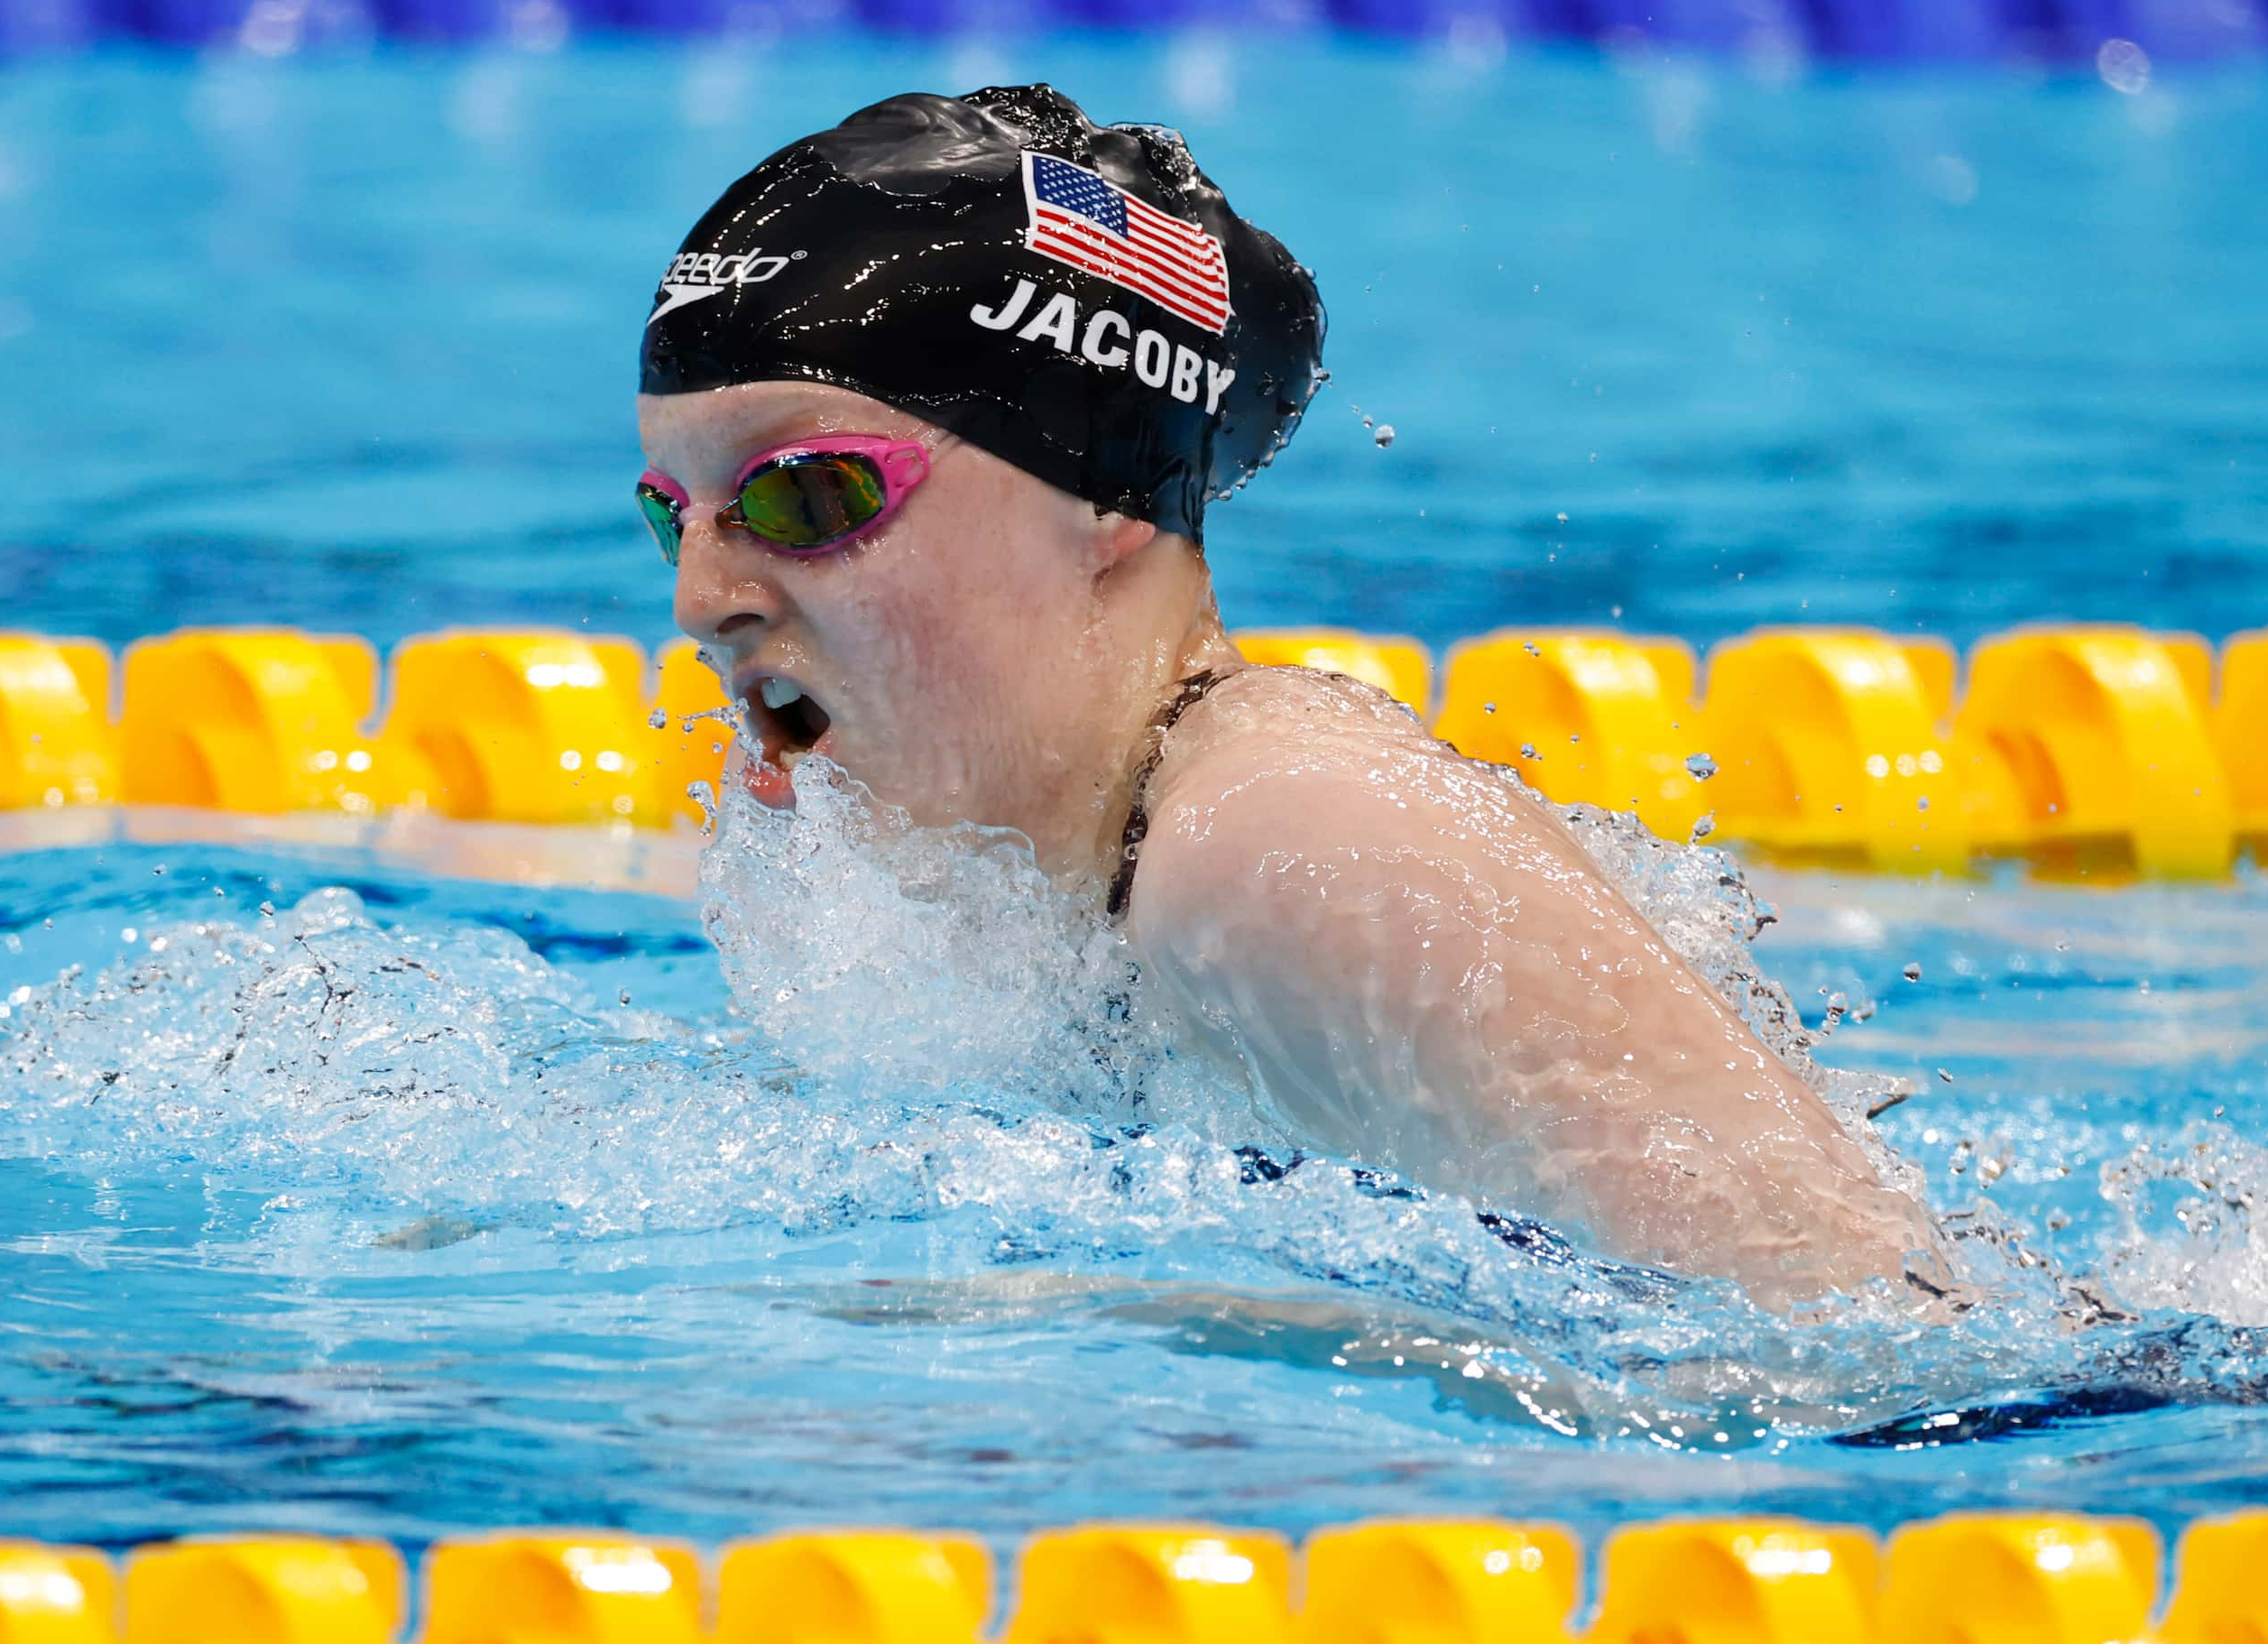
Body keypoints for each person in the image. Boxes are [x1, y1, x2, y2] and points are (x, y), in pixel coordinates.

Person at [634, 85, 1947, 1310]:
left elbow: (1870, 1349)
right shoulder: (1098, 874)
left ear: (1098, 490)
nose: (703, 598)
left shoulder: (1280, 841)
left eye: (803, 495)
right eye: (673, 515)